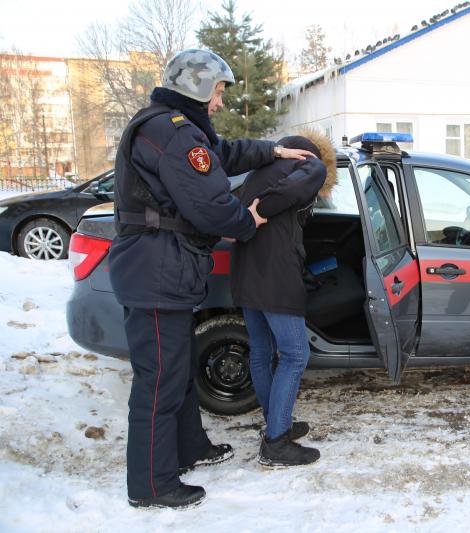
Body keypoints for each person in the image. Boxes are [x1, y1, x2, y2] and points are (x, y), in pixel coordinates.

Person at [108, 48, 315, 510]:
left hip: (163, 268)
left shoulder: (171, 127)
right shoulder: (174, 132)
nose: (220, 102)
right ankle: (152, 484)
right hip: (156, 268)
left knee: (175, 373)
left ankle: (190, 448)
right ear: (197, 86)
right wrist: (249, 220)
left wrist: (274, 150)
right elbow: (210, 202)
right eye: (219, 91)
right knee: (159, 380)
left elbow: (222, 154)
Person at [230, 130, 337, 466]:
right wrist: (262, 210)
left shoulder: (261, 170)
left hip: (246, 271)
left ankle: (276, 424)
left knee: (262, 351)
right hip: (275, 274)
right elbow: (291, 192)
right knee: (294, 354)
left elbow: (236, 203)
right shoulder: (313, 164)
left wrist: (251, 215)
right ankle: (276, 442)